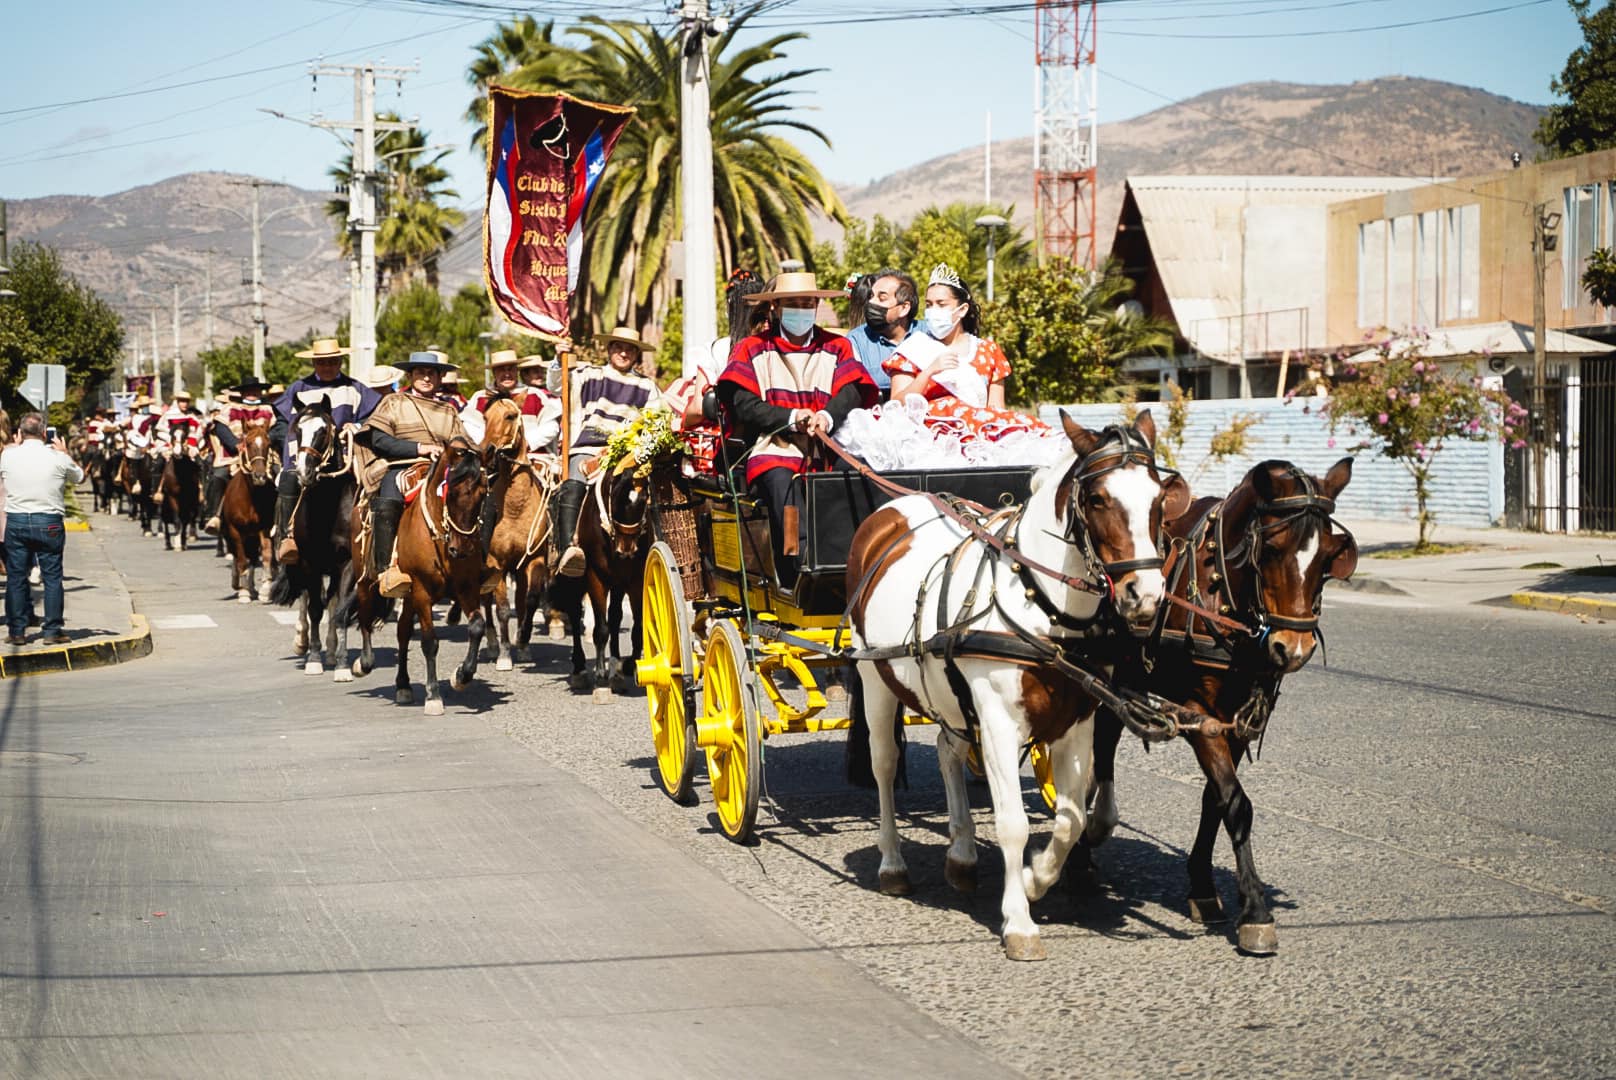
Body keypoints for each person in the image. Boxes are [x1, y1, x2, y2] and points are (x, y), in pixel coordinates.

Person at [717, 271, 877, 585]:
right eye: (793, 303)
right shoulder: (752, 348)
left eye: (807, 303)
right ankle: (801, 567)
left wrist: (827, 417)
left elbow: (853, 390)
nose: (801, 309)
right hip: (775, 444)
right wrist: (790, 418)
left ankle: (855, 561)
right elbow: (742, 403)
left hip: (829, 442)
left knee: (860, 471)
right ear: (775, 308)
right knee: (779, 477)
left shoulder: (837, 346)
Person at [885, 263, 1046, 442]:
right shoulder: (914, 349)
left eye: (941, 304)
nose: (933, 311)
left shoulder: (988, 352)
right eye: (929, 305)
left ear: (962, 310)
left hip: (978, 440)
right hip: (928, 441)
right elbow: (896, 407)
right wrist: (929, 372)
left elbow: (996, 411)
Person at [547, 327, 662, 577]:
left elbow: (657, 421)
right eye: (618, 347)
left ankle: (659, 543)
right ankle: (569, 549)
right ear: (609, 349)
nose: (623, 352)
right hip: (588, 448)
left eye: (630, 349)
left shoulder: (648, 387)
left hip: (628, 456)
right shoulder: (589, 374)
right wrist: (559, 359)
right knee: (573, 483)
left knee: (650, 491)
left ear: (637, 354)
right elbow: (557, 386)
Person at [356, 353, 469, 598]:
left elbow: (462, 440)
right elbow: (378, 439)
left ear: (440, 378)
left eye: (432, 373)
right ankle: (386, 568)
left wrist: (459, 449)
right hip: (401, 465)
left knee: (475, 496)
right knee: (389, 501)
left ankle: (477, 565)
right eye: (420, 372)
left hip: (442, 469)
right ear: (411, 376)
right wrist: (420, 448)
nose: (426, 378)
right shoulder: (393, 402)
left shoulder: (449, 410)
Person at [270, 338, 382, 564]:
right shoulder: (298, 389)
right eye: (322, 362)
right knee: (289, 480)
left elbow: (375, 416)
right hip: (305, 453)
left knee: (374, 482)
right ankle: (287, 537)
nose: (328, 366)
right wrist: (294, 438)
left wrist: (358, 426)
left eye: (332, 361)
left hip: (345, 457)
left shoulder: (355, 388)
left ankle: (373, 539)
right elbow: (281, 424)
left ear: (340, 361)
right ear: (314, 363)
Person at [1, 413, 83, 645]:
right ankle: (52, 630)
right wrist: (65, 454)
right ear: (45, 432)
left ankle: (17, 631)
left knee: (16, 578)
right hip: (49, 522)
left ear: (20, 432)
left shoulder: (7, 456)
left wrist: (14, 448)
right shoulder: (57, 457)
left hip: (16, 521)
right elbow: (80, 477)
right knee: (52, 577)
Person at [204, 378, 277, 531]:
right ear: (242, 392)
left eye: (255, 390)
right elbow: (220, 428)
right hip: (234, 455)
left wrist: (267, 441)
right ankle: (214, 516)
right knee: (218, 476)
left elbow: (278, 429)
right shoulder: (230, 408)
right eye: (248, 391)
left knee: (280, 476)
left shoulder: (269, 409)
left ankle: (281, 518)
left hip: (264, 455)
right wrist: (235, 443)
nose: (252, 394)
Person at [459, 349, 559, 456]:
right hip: (491, 457)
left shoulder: (535, 395)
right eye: (502, 370)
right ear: (494, 373)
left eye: (511, 369)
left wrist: (527, 442)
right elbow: (469, 426)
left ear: (517, 371)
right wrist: (489, 445)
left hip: (531, 455)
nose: (507, 374)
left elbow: (551, 426)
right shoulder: (481, 397)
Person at [841, 267, 922, 398]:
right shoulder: (856, 341)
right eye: (871, 296)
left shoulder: (928, 334)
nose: (871, 302)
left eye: (881, 298)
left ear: (904, 308)